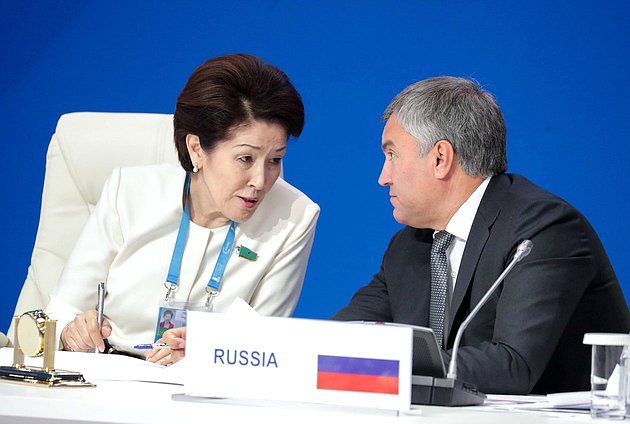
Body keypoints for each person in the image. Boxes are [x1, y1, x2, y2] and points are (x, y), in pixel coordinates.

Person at [331, 76, 630, 395]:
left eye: (392, 155)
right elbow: (341, 335)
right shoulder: (409, 245)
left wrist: (387, 362)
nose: (383, 177)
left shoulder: (544, 229)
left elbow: (513, 366)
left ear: (440, 159)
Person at [45, 54, 320, 364]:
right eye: (246, 159)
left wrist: (203, 358)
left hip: (207, 392)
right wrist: (72, 332)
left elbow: (261, 347)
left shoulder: (295, 216)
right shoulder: (129, 192)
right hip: (109, 373)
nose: (261, 180)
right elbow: (61, 312)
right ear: (196, 149)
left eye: (275, 159)